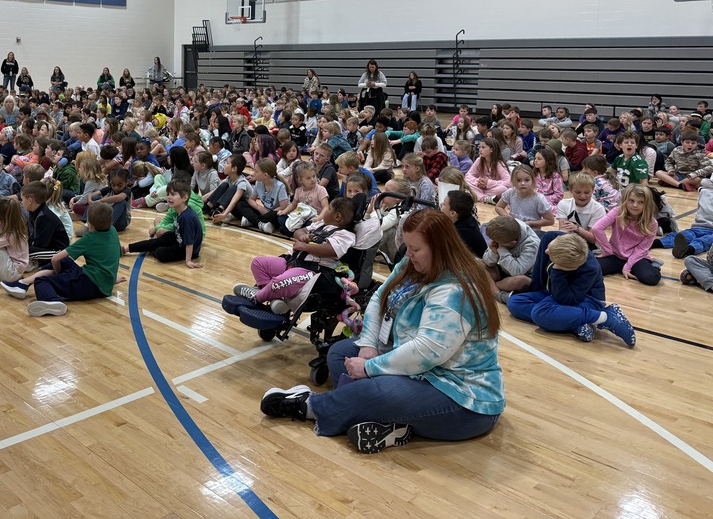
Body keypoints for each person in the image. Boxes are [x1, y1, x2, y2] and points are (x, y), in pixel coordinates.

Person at [259, 209, 503, 454]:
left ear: (440, 248)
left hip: (461, 396)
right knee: (339, 353)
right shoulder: (413, 263)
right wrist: (368, 346)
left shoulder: (456, 290)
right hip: (421, 369)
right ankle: (388, 423)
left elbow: (426, 352)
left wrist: (369, 368)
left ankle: (310, 405)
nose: (408, 254)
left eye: (415, 249)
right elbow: (379, 299)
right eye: (407, 247)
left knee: (370, 388)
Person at [507, 232, 636, 346]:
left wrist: (557, 272)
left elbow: (566, 299)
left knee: (539, 314)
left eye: (551, 255)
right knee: (514, 303)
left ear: (568, 267)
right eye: (550, 248)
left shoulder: (590, 268)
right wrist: (536, 292)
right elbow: (538, 273)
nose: (546, 252)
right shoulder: (550, 239)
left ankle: (606, 317)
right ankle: (575, 324)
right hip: (553, 294)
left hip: (586, 300)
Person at [21, 201, 121, 317]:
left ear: (90, 225)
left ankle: (52, 301)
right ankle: (24, 283)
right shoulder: (113, 231)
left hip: (90, 283)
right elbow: (114, 257)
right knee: (65, 261)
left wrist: (58, 274)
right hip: (104, 282)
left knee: (42, 280)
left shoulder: (89, 238)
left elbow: (55, 259)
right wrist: (111, 278)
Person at [591, 184, 660, 286]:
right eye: (631, 200)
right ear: (625, 200)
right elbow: (597, 228)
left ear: (647, 204)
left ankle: (652, 264)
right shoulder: (617, 212)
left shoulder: (652, 223)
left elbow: (642, 249)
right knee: (588, 269)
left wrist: (628, 266)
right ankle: (619, 267)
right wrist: (607, 250)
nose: (635, 205)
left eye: (641, 202)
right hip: (614, 255)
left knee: (652, 278)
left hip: (637, 258)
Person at [123, 179, 203, 265]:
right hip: (178, 240)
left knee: (160, 252)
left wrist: (188, 261)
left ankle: (151, 249)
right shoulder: (179, 211)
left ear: (184, 198)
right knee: (156, 241)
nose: (169, 197)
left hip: (187, 249)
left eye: (173, 194)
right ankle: (126, 248)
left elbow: (189, 242)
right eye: (168, 194)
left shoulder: (186, 217)